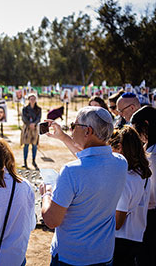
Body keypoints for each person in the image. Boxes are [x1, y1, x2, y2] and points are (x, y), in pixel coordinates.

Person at [40, 106, 128, 265]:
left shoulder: (71, 171)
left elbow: (52, 220)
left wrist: (46, 194)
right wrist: (64, 137)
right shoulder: (121, 163)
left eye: (74, 126)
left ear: (87, 131)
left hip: (71, 257)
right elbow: (91, 158)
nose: (71, 129)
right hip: (103, 254)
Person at [107, 126, 152, 265]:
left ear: (119, 147)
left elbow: (118, 223)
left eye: (111, 150)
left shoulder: (124, 179)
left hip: (120, 241)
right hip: (136, 237)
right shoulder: (142, 173)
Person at [130, 106, 156, 266]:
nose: (138, 137)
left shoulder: (153, 155)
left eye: (137, 130)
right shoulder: (149, 149)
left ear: (146, 125)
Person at [21, 93, 41, 169]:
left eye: (34, 99)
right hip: (27, 128)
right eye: (31, 99)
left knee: (34, 145)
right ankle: (25, 161)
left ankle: (34, 160)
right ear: (28, 100)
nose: (32, 100)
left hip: (35, 129)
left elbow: (39, 118)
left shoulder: (39, 109)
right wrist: (29, 124)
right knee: (26, 145)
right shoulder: (25, 109)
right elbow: (23, 118)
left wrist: (34, 124)